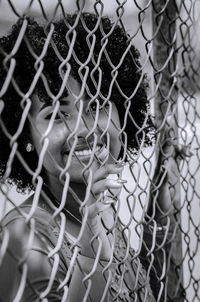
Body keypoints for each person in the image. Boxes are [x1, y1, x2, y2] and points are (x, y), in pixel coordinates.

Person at [0, 12, 179, 302]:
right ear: (25, 136)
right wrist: (90, 252)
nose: (84, 127)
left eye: (97, 104)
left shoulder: (96, 208)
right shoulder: (23, 236)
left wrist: (164, 194)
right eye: (57, 115)